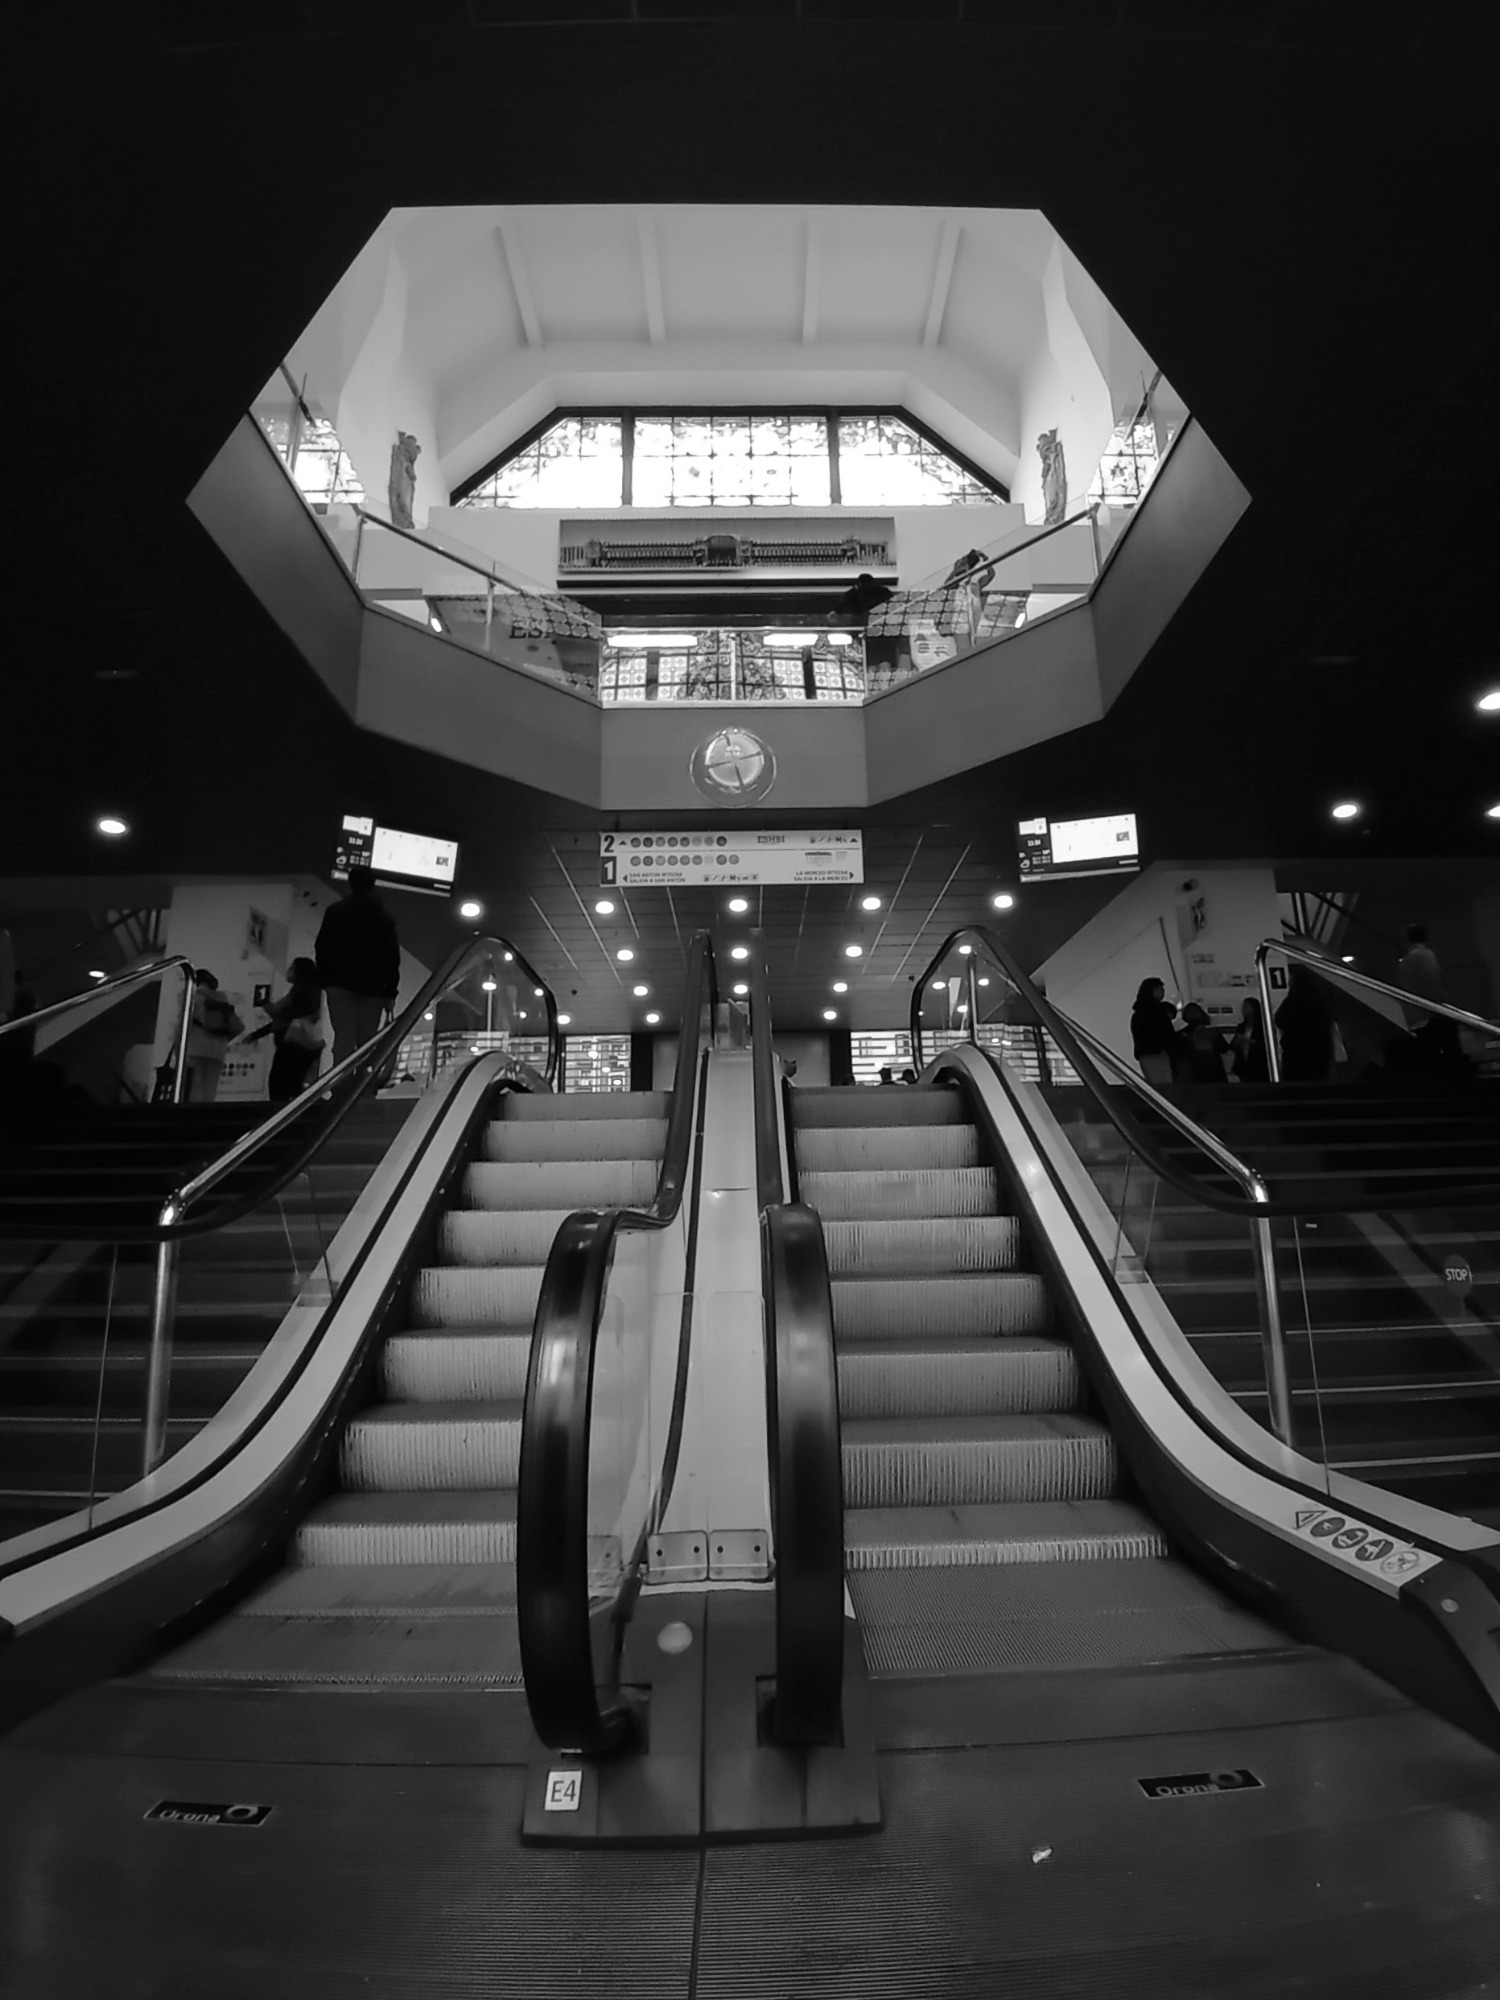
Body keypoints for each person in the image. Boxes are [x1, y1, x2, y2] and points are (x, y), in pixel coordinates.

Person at [316, 865, 401, 1065]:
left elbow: (322, 946)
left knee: (343, 1039)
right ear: (373, 885)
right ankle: (362, 1082)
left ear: (350, 883)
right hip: (374, 988)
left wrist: (325, 980)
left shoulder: (335, 912)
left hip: (339, 984)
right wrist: (390, 992)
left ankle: (341, 1082)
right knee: (366, 1041)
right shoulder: (384, 918)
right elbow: (391, 957)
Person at [240, 957, 325, 1104]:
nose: (288, 971)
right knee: (293, 1085)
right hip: (308, 1045)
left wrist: (271, 1011)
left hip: (295, 1045)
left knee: (280, 1086)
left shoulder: (303, 992)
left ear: (299, 971)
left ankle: (282, 1113)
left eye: (292, 968)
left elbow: (285, 1018)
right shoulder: (311, 991)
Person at [1396, 922, 1461, 1070]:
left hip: (1414, 1015)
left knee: (1428, 1054)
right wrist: (1442, 1003)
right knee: (1449, 1043)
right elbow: (1431, 983)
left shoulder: (1406, 960)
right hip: (1429, 1013)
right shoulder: (1425, 956)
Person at [183, 968, 244, 1103]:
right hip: (217, 1052)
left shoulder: (191, 996)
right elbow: (237, 1027)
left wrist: (178, 1048)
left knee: (193, 1090)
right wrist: (222, 1039)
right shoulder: (222, 999)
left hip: (195, 1049)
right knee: (209, 1090)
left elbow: (181, 1025)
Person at [1274, 965, 1335, 1082]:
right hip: (1319, 1050)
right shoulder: (1321, 1000)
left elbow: (1280, 1020)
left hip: (1295, 1051)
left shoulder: (1292, 1001)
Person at [1130, 977, 1179, 1089]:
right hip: (1157, 1053)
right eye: (1161, 989)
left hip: (1145, 1053)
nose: (1163, 992)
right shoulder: (1156, 1011)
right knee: (1164, 1086)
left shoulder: (1139, 1012)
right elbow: (1164, 1032)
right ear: (1153, 989)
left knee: (1155, 1085)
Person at [1229, 996, 1269, 1083]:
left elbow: (1265, 1045)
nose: (1243, 1010)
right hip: (1243, 1064)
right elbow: (1232, 1046)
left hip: (1258, 1064)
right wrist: (1237, 1042)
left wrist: (1250, 1042)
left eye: (1246, 1007)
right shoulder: (1241, 1027)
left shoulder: (1262, 1027)